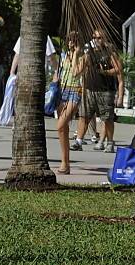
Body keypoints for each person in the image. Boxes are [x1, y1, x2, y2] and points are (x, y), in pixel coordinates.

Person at [71, 29, 124, 154]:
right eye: (95, 37)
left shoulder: (109, 52)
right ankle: (79, 141)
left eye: (99, 38)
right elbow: (77, 71)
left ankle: (109, 143)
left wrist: (104, 72)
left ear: (104, 38)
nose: (97, 40)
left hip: (105, 90)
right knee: (84, 115)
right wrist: (76, 54)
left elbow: (118, 69)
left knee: (107, 118)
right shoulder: (89, 52)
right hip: (90, 89)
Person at [54, 32, 83, 174]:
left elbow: (75, 72)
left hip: (75, 91)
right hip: (63, 90)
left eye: (74, 40)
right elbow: (60, 71)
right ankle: (65, 162)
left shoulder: (84, 57)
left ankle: (65, 162)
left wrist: (76, 55)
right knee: (63, 128)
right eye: (69, 40)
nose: (71, 43)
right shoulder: (65, 55)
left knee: (60, 125)